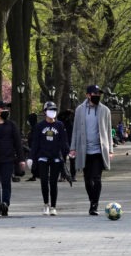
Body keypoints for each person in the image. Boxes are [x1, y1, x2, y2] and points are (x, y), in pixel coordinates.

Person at [70, 85, 113, 216]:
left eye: (99, 94)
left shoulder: (105, 110)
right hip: (84, 149)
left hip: (99, 149)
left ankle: (94, 204)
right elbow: (75, 130)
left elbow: (109, 130)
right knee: (88, 179)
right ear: (88, 95)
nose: (97, 96)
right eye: (95, 93)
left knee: (97, 178)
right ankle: (91, 200)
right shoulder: (80, 110)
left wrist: (110, 149)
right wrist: (73, 148)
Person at [29, 101, 69, 216]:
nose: (53, 112)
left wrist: (69, 152)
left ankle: (53, 206)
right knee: (44, 182)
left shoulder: (60, 125)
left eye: (54, 109)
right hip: (42, 157)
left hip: (56, 157)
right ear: (45, 111)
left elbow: (63, 142)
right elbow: (35, 143)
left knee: (53, 182)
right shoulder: (39, 126)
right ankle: (46, 204)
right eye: (50, 109)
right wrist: (31, 157)